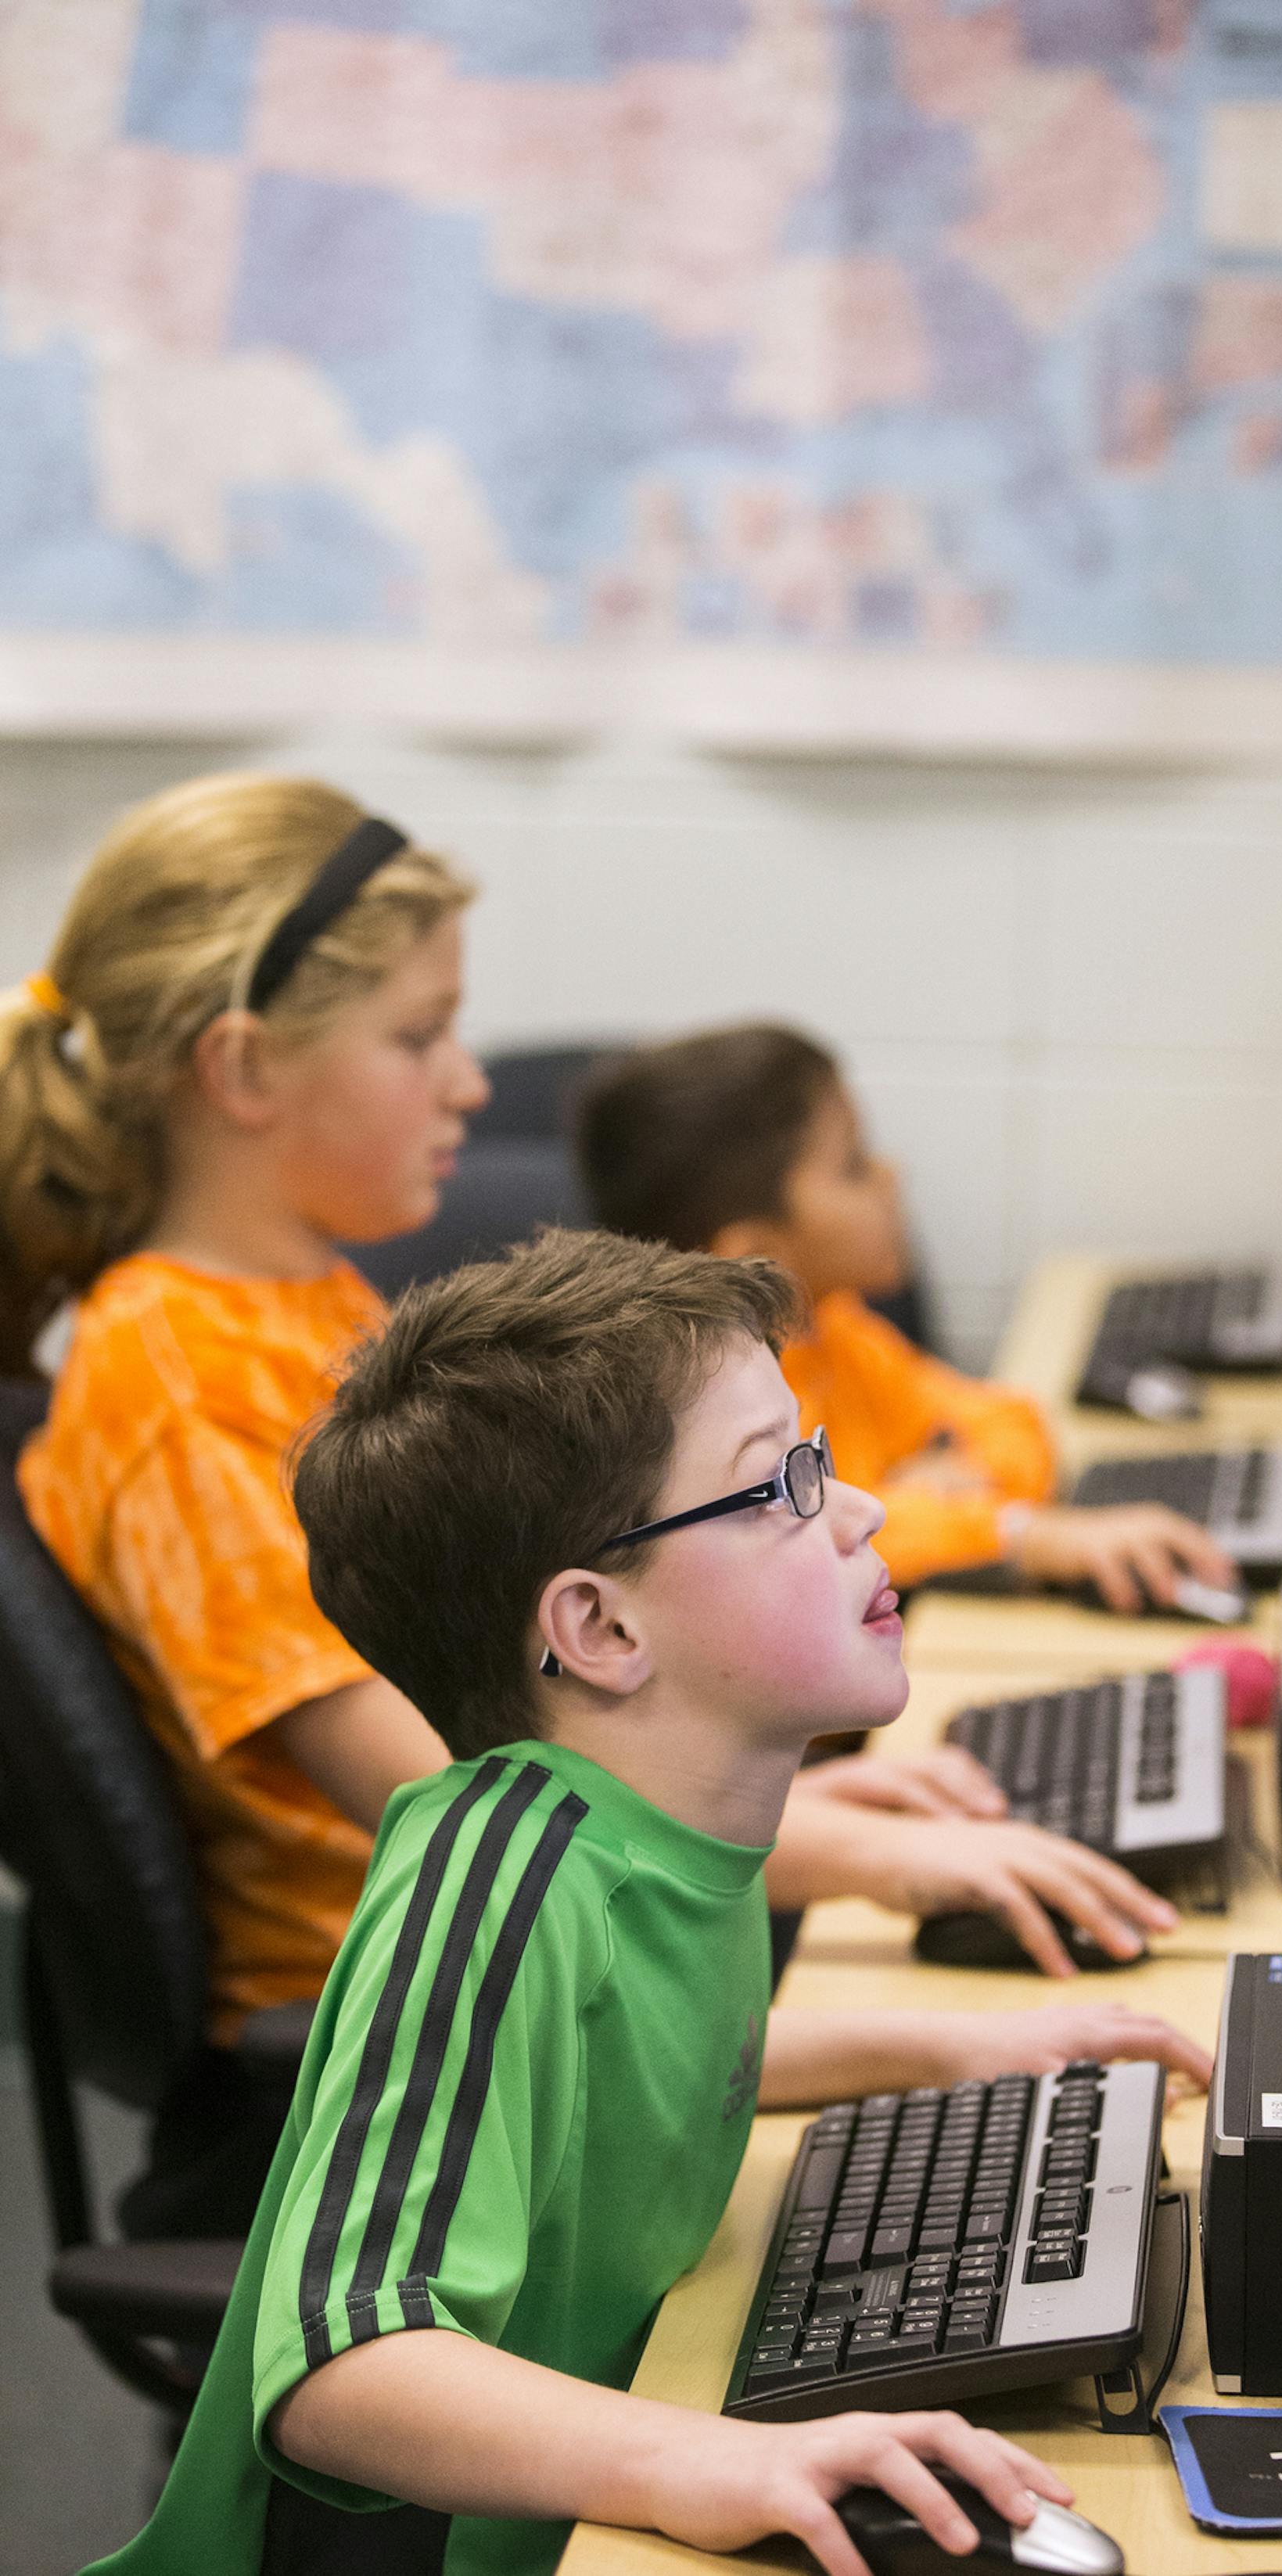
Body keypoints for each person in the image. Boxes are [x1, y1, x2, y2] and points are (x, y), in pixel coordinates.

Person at [5, 781, 1182, 2240]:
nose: (471, 1082)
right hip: (417, 2057)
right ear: (242, 1069)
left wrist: (813, 1816)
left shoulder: (292, 1298)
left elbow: (538, 1727)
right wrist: (864, 1860)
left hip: (552, 1960)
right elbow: (455, 1792)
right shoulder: (173, 1378)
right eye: (418, 1035)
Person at [88, 1227, 1210, 2576]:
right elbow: (341, 2363)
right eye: (783, 1486)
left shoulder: (674, 1826)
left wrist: (948, 2051)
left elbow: (640, 2074)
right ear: (602, 1630)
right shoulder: (495, 1879)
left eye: (824, 1458)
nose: (858, 1512)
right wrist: (713, 2458)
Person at [577, 1023, 1240, 1610]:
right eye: (854, 1166)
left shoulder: (829, 1327)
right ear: (755, 1254)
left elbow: (1010, 1422)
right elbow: (810, 1552)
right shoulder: (713, 1419)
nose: (892, 1175)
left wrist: (929, 1497)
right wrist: (1009, 1531)